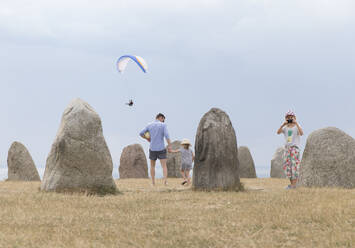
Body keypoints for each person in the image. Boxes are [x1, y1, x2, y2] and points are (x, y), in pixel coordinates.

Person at [140, 113, 172, 186]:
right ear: (160, 117)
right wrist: (170, 146)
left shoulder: (149, 125)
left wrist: (147, 138)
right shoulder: (163, 125)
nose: (163, 121)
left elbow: (141, 133)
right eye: (163, 119)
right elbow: (167, 136)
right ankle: (165, 182)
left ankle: (153, 182)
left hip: (152, 148)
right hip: (161, 148)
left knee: (152, 166)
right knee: (164, 166)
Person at [277, 110, 304, 189]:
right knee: (288, 167)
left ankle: (294, 185)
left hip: (294, 149)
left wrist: (296, 123)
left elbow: (301, 133)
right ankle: (292, 185)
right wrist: (283, 124)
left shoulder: (297, 127)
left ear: (294, 118)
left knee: (294, 167)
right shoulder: (285, 128)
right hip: (287, 149)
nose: (290, 119)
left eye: (291, 117)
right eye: (288, 117)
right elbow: (278, 132)